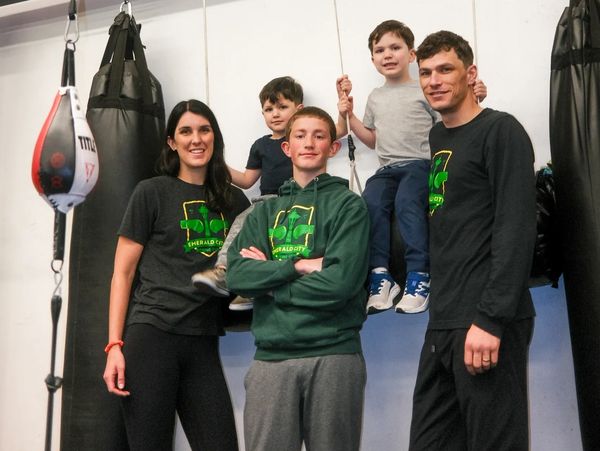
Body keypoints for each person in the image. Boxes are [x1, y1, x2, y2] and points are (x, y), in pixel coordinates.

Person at [408, 31, 536, 450]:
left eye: (446, 69)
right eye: (425, 72)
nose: (434, 81)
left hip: (485, 320)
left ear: (470, 73)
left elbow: (515, 228)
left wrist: (491, 319)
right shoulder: (439, 138)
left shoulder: (501, 130)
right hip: (443, 322)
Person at [102, 100, 249, 451]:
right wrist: (113, 346)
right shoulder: (151, 192)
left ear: (215, 137)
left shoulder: (236, 202)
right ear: (172, 142)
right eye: (185, 131)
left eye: (204, 129)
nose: (196, 139)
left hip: (203, 340)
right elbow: (122, 273)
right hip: (152, 336)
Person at [227, 107, 370, 451]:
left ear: (332, 148)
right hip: (270, 359)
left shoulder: (349, 206)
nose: (309, 143)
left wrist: (270, 284)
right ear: (287, 148)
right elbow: (238, 276)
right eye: (300, 136)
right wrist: (298, 266)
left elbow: (341, 284)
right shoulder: (262, 211)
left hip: (334, 355)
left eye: (319, 136)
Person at [336, 20, 487, 314]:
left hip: (420, 165)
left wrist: (475, 93)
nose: (388, 55)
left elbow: (451, 118)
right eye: (380, 50)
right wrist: (350, 116)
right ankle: (381, 275)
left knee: (407, 202)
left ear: (412, 54)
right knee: (370, 204)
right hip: (386, 169)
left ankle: (419, 274)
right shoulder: (375, 97)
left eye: (395, 47)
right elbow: (372, 139)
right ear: (372, 60)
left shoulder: (425, 89)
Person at [192, 76, 304, 311]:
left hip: (297, 201)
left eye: (283, 107)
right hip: (266, 201)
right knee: (242, 224)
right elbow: (246, 180)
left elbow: (334, 132)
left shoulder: (303, 138)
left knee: (285, 241)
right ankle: (224, 271)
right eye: (269, 109)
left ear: (299, 109)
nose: (275, 113)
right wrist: (215, 163)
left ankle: (260, 285)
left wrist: (344, 108)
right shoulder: (261, 145)